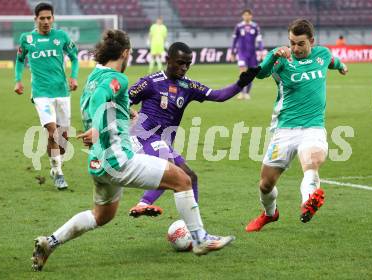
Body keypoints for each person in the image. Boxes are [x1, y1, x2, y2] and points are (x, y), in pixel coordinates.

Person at [31, 30, 236, 272]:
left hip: (98, 162)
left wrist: (126, 114)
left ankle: (50, 242)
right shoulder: (118, 79)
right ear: (126, 53)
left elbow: (105, 99)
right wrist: (98, 129)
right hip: (120, 160)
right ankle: (200, 239)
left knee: (101, 215)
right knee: (183, 179)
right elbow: (101, 98)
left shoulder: (94, 75)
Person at [128, 42, 260, 218]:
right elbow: (122, 100)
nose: (184, 68)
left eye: (188, 64)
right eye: (180, 62)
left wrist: (241, 83)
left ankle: (192, 226)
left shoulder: (188, 86)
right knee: (170, 167)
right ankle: (143, 204)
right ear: (168, 60)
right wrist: (129, 112)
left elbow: (219, 96)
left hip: (162, 142)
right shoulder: (150, 82)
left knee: (189, 177)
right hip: (142, 137)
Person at [245, 18, 348, 232]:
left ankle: (308, 202)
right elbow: (261, 73)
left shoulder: (322, 54)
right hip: (284, 129)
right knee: (265, 184)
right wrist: (274, 54)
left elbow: (331, 61)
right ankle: (270, 214)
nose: (295, 48)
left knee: (311, 163)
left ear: (311, 41)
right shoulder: (282, 58)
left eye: (300, 43)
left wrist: (342, 66)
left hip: (313, 127)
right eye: (292, 42)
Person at [14, 2, 79, 189]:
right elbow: (19, 60)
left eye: (48, 18)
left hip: (62, 92)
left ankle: (55, 164)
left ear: (53, 18)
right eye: (41, 18)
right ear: (35, 19)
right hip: (41, 93)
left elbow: (75, 58)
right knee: (53, 132)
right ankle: (58, 172)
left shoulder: (61, 37)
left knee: (63, 139)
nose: (45, 21)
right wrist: (18, 80)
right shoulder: (26, 38)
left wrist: (73, 77)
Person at [230, 9, 264, 100]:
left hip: (252, 54)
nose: (246, 16)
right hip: (241, 53)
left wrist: (261, 50)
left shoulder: (255, 26)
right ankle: (241, 93)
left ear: (251, 16)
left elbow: (260, 40)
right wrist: (233, 52)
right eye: (245, 15)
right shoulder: (239, 26)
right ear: (242, 16)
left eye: (248, 15)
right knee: (242, 72)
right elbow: (234, 40)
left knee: (251, 74)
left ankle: (247, 93)